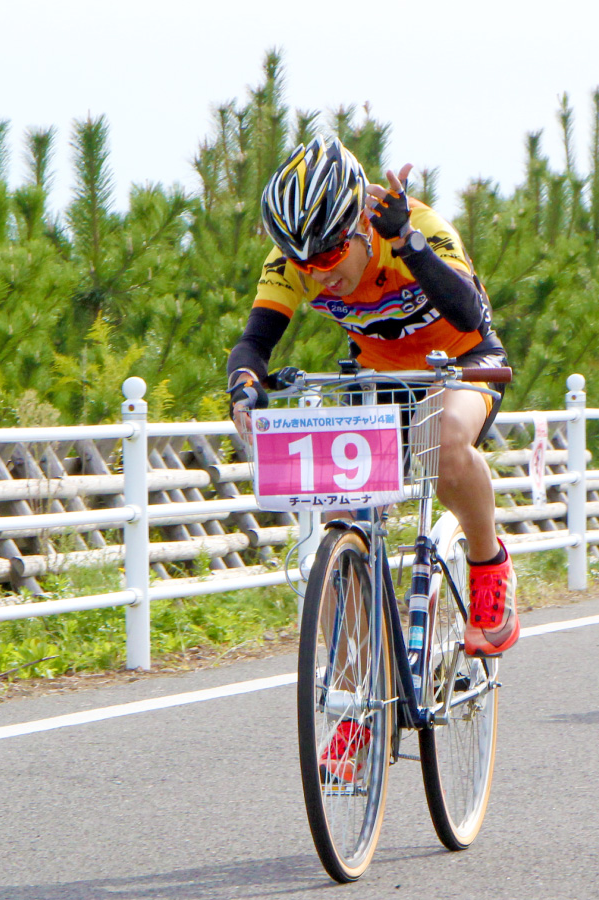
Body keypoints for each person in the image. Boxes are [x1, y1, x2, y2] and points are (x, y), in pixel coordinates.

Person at [226, 135, 519, 661]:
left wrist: (408, 242)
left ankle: (488, 565)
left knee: (444, 440)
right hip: (382, 376)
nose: (320, 274)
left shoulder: (414, 228)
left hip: (463, 361)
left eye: (332, 255)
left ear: (360, 224)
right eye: (304, 263)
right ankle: (356, 691)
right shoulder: (297, 258)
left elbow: (470, 313)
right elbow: (254, 343)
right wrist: (244, 385)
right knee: (340, 518)